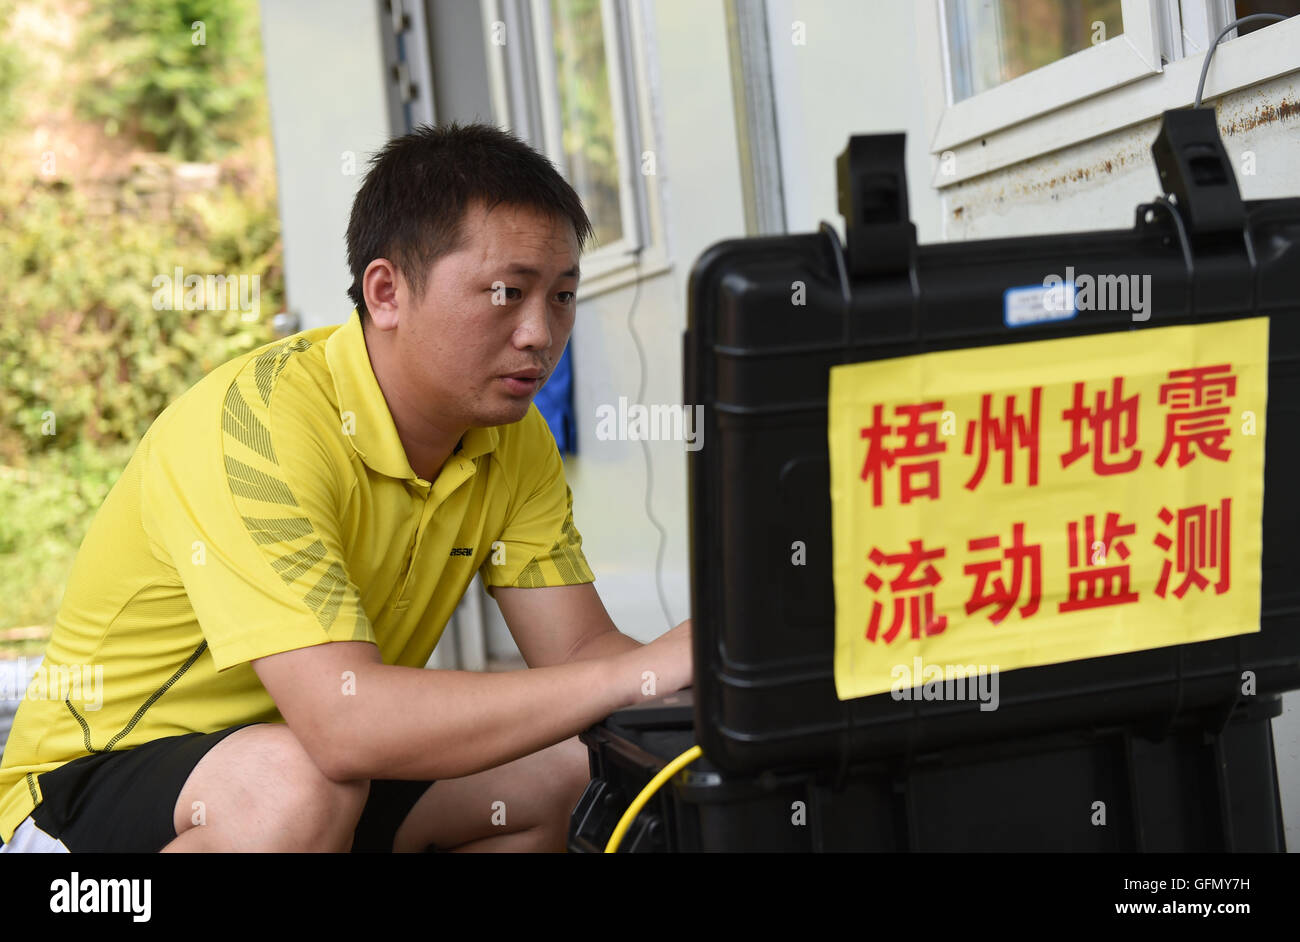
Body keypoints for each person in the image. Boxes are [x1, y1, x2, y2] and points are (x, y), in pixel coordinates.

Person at [0, 122, 693, 853]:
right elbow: (342, 724)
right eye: (507, 292)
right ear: (386, 291)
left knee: (572, 771)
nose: (539, 334)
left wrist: (720, 667)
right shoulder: (257, 425)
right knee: (293, 787)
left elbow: (584, 654)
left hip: (310, 772)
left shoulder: (511, 437)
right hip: (84, 796)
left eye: (561, 296)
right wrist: (637, 676)